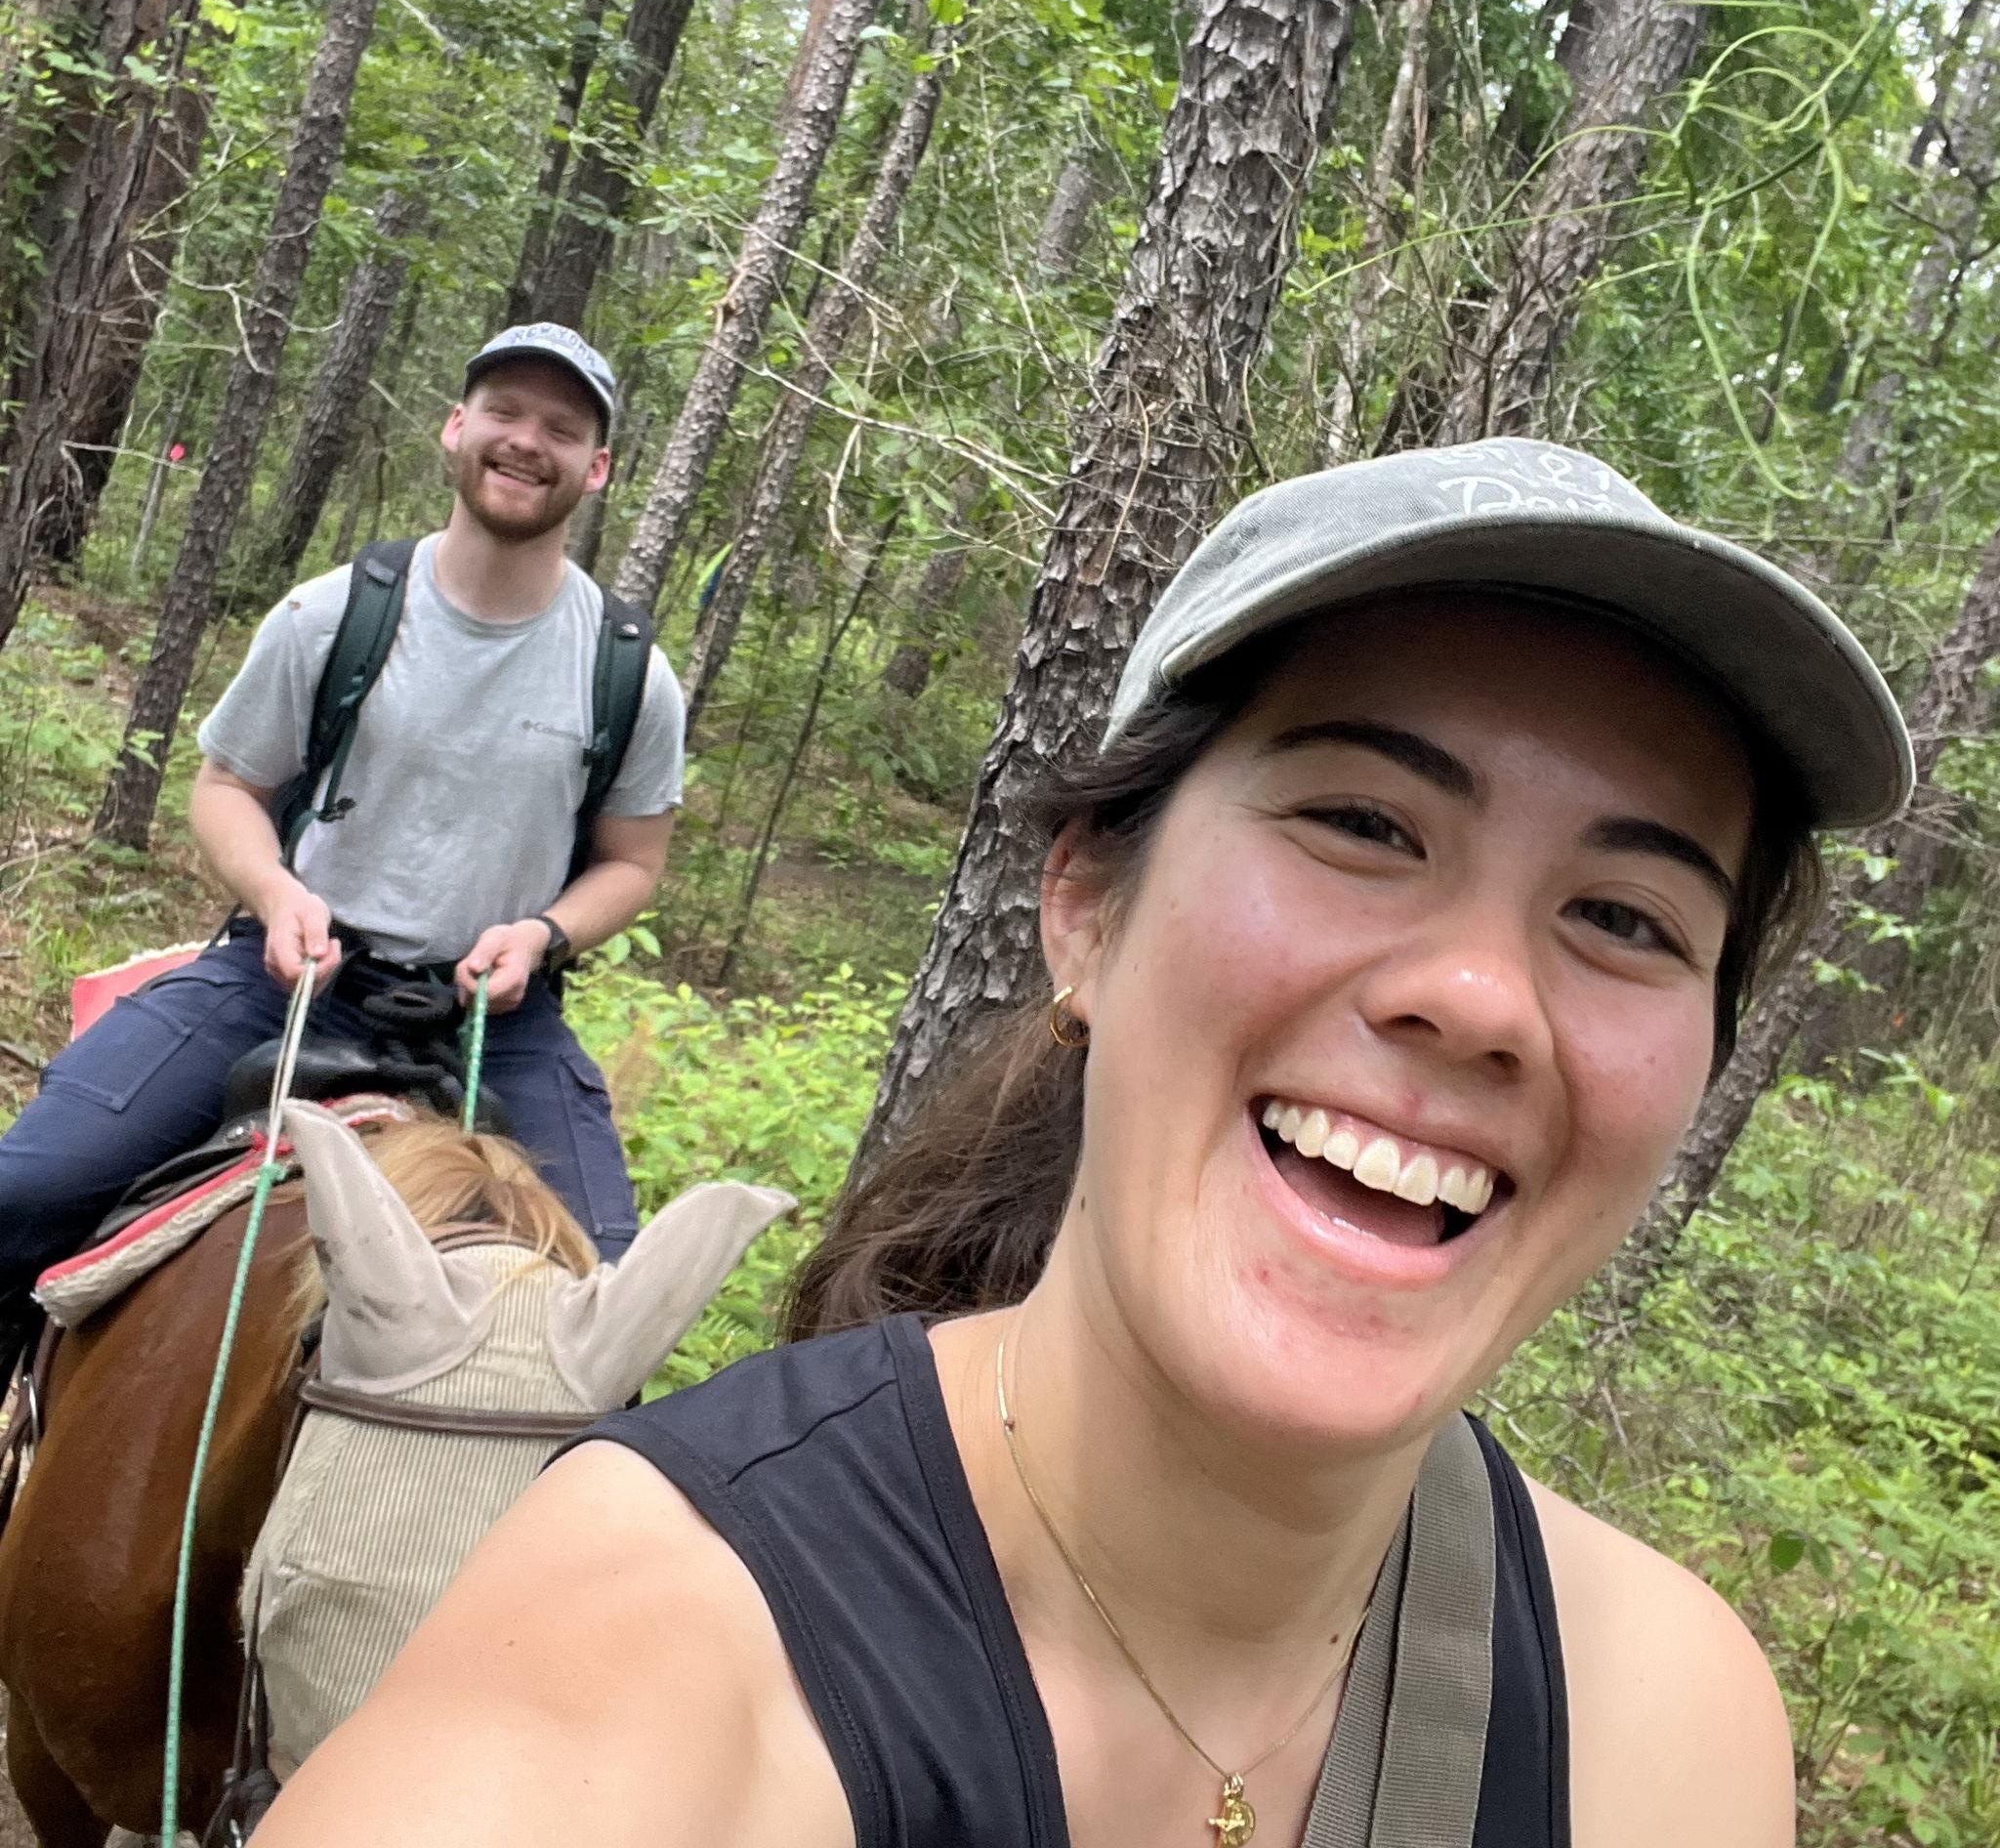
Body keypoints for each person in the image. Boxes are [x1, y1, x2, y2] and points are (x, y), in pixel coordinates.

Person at [255, 440, 1910, 1848]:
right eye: (1359, 821)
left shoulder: (1669, 1727)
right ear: (1085, 907)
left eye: (1623, 914)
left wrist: (542, 930)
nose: (1481, 995)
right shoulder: (636, 1668)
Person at [0, 324, 684, 1291]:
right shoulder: (330, 614)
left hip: (493, 1016)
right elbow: (228, 786)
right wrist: (279, 895)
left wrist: (542, 933)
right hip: (279, 978)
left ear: (597, 466)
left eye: (560, 427)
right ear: (456, 427)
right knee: (27, 1189)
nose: (526, 440)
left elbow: (633, 860)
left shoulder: (629, 671)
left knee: (603, 1301)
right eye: (504, 412)